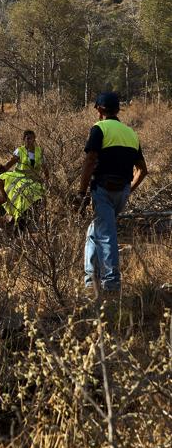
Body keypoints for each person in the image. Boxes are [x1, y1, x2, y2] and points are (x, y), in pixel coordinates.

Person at [78, 91, 147, 296]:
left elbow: (90, 160)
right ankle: (91, 281)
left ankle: (111, 286)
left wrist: (81, 191)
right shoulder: (131, 133)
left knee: (106, 235)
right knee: (94, 232)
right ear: (117, 110)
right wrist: (128, 190)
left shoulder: (99, 128)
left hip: (103, 190)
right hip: (122, 192)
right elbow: (143, 170)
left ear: (100, 109)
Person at [0, 164, 43, 231]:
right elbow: (12, 199)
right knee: (32, 226)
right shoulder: (14, 174)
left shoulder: (0, 180)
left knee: (18, 233)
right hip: (38, 197)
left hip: (24, 203)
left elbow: (3, 199)